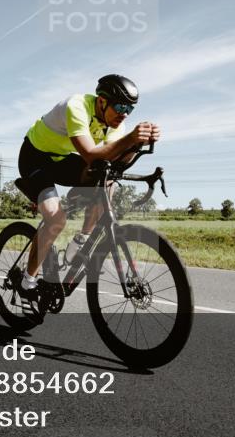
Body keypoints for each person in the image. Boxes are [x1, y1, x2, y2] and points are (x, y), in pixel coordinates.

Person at [15, 74, 160, 297]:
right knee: (56, 218)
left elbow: (116, 161)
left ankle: (81, 240)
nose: (124, 114)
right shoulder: (76, 106)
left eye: (130, 110)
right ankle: (27, 281)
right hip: (35, 158)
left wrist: (136, 144)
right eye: (120, 106)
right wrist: (130, 139)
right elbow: (92, 155)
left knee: (107, 176)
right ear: (102, 101)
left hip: (62, 159)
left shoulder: (115, 124)